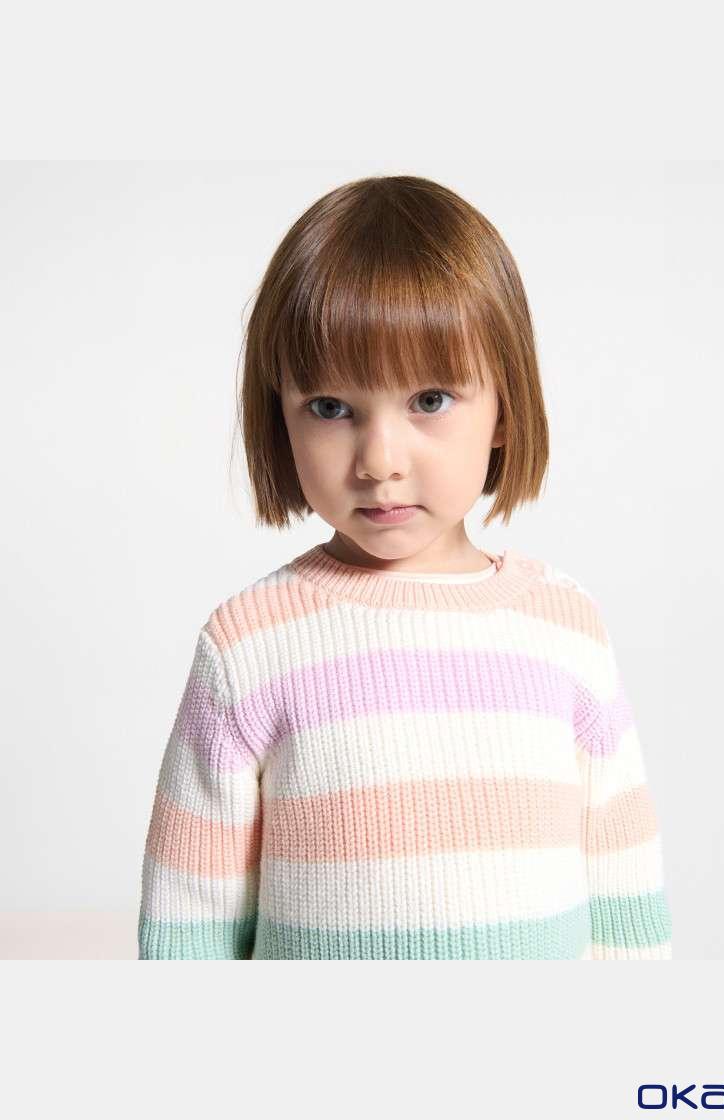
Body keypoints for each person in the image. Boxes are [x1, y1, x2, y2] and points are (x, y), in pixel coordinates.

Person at [137, 174, 672, 960]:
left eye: (429, 400)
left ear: (504, 408)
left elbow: (625, 904)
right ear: (279, 419)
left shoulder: (566, 629)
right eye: (331, 408)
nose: (380, 461)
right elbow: (189, 926)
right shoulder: (247, 646)